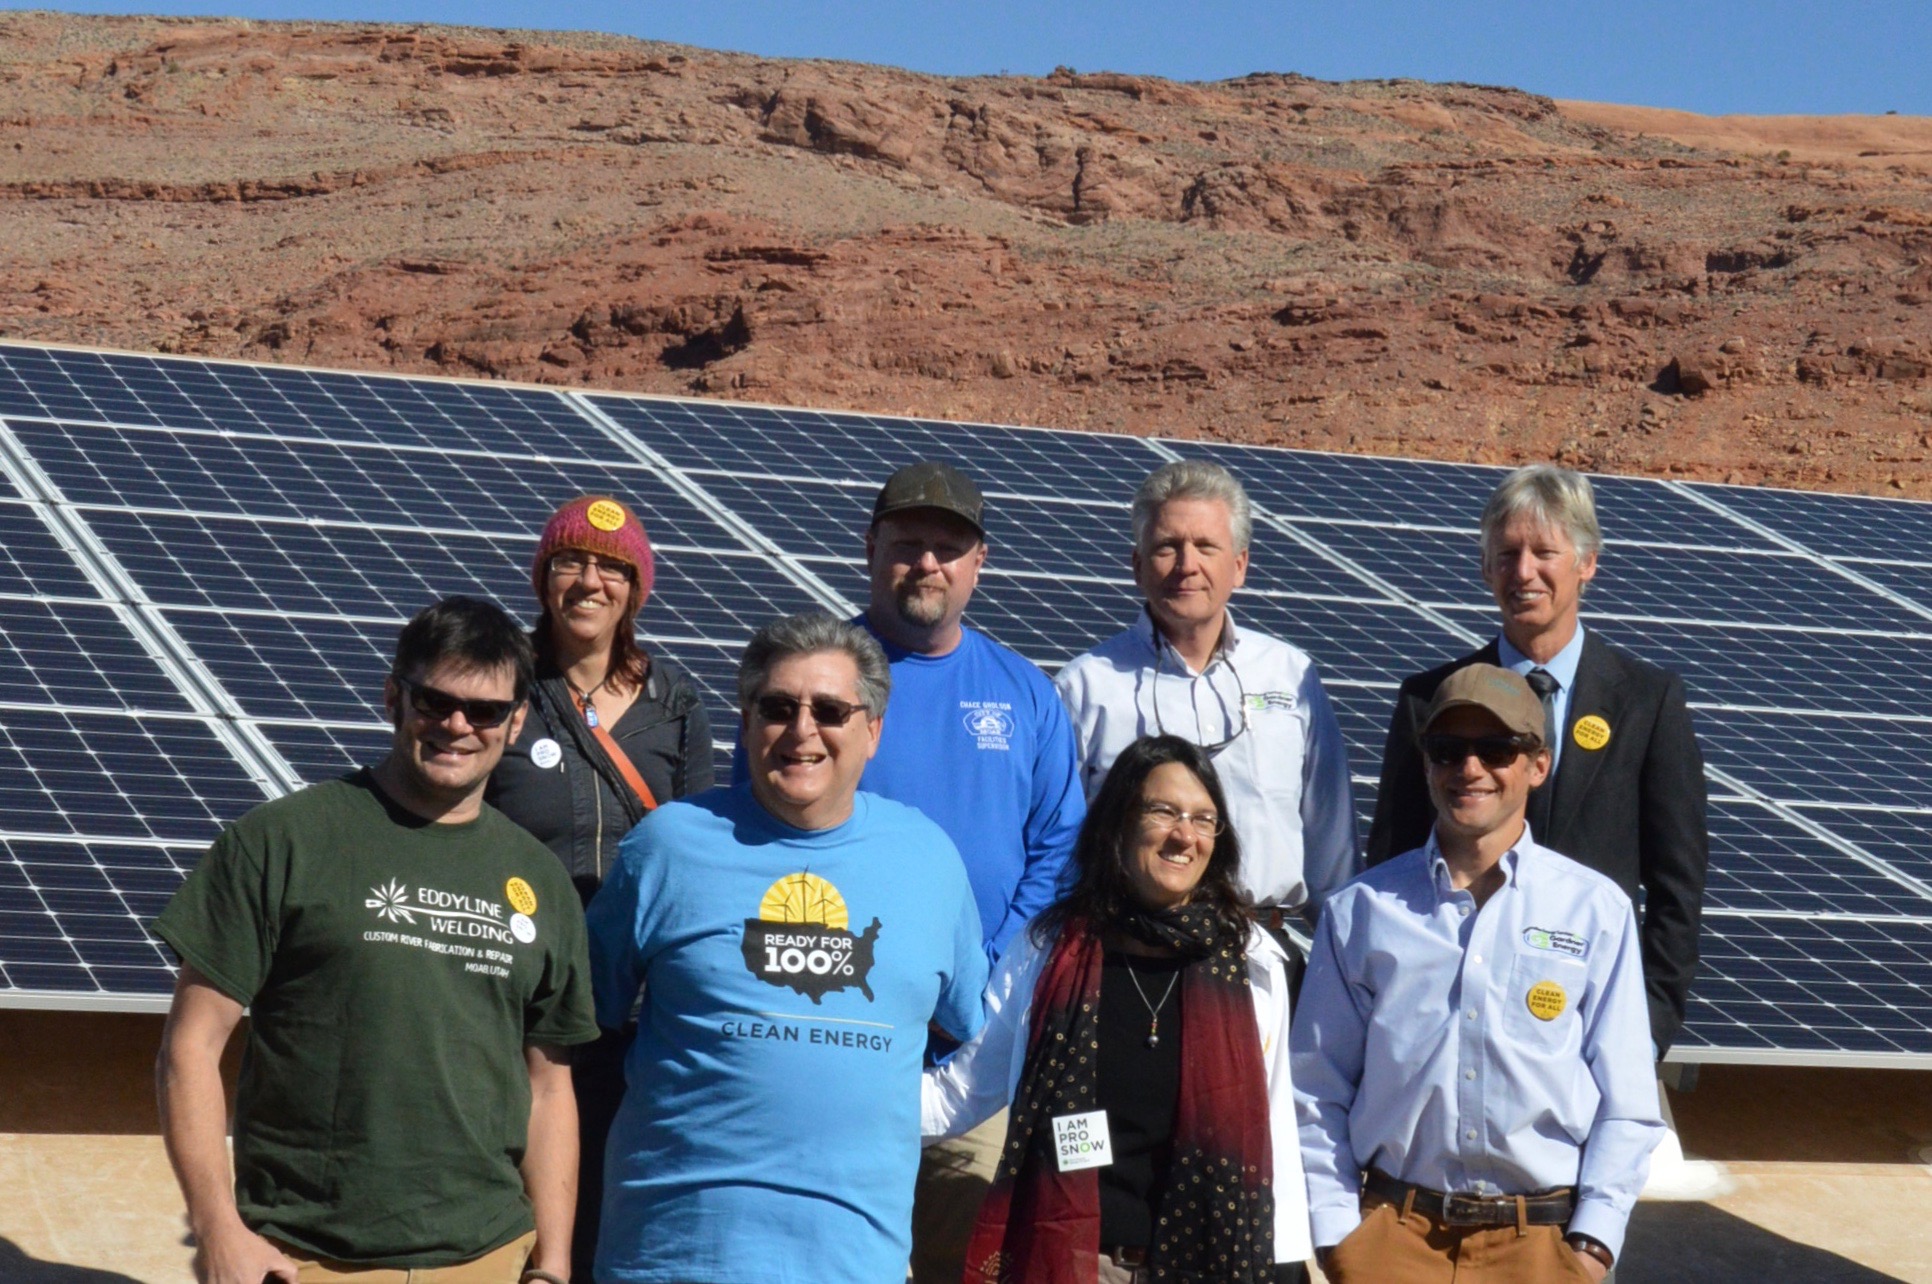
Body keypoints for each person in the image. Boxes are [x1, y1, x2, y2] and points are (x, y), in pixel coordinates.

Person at [154, 596, 599, 1284]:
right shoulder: (282, 841)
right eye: (435, 702)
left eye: (484, 711)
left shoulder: (541, 880)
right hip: (305, 1258)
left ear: (515, 723)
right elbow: (189, 1047)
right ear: (394, 696)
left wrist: (555, 1263)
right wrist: (216, 1229)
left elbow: (549, 1087)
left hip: (487, 1258)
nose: (457, 726)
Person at [734, 461, 1087, 1283]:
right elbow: (762, 839)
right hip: (827, 1028)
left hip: (974, 1050)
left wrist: (981, 979)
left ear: (978, 563)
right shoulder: (814, 686)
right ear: (871, 549)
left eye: (947, 548)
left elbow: (1058, 850)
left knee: (959, 1258)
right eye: (907, 544)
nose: (927, 563)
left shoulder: (1026, 694)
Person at [586, 611, 988, 1283]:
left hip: (854, 1266)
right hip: (672, 1258)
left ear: (873, 731)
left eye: (830, 710)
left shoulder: (929, 859)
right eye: (778, 708)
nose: (803, 731)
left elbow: (972, 1026)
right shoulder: (667, 846)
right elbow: (578, 1028)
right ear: (746, 724)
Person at [1294, 664, 1664, 1283]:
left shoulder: (1595, 911)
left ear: (1538, 765)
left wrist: (1593, 1246)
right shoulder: (1361, 911)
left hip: (1542, 1246)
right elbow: (1315, 1090)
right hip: (1393, 1241)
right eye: (1447, 749)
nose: (1469, 768)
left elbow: (1627, 1100)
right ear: (1426, 764)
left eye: (1495, 749)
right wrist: (1338, 1238)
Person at [924, 736, 1311, 1284]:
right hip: (1076, 1263)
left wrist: (1286, 1259)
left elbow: (1274, 1129)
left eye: (1203, 819)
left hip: (1206, 1265)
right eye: (1164, 811)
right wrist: (835, 1103)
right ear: (1119, 823)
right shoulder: (1049, 950)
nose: (1184, 835)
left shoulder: (1252, 964)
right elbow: (962, 1091)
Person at [1365, 464, 1708, 1058]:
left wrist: (1645, 1031)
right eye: (1506, 555)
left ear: (1587, 562)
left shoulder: (1646, 702)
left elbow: (1678, 887)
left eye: (1544, 552)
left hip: (1592, 1021)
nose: (1523, 572)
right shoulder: (1428, 702)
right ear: (1485, 568)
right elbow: (1393, 864)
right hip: (1450, 1020)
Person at [488, 493, 714, 1280]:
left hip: (633, 1004)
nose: (590, 582)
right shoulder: (504, 681)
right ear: (543, 577)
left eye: (612, 568)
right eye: (570, 562)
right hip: (513, 987)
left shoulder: (674, 701)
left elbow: (697, 850)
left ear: (636, 589)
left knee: (613, 1198)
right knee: (510, 1191)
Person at [1055, 460, 1359, 933]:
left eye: (1206, 546)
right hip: (1129, 945)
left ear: (1239, 566)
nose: (1187, 565)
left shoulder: (1290, 676)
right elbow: (1060, 850)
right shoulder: (1086, 688)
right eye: (1167, 547)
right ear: (1137, 566)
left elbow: (1331, 848)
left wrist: (1342, 954)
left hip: (1264, 946)